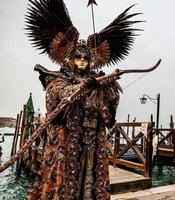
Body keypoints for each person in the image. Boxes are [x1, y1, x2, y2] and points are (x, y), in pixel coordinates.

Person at [25, 0, 142, 199]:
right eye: (78, 57)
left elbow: (110, 109)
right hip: (66, 142)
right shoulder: (57, 78)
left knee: (91, 184)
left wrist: (108, 85)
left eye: (86, 58)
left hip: (93, 144)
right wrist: (82, 87)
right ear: (70, 59)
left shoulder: (100, 81)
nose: (82, 61)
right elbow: (57, 95)